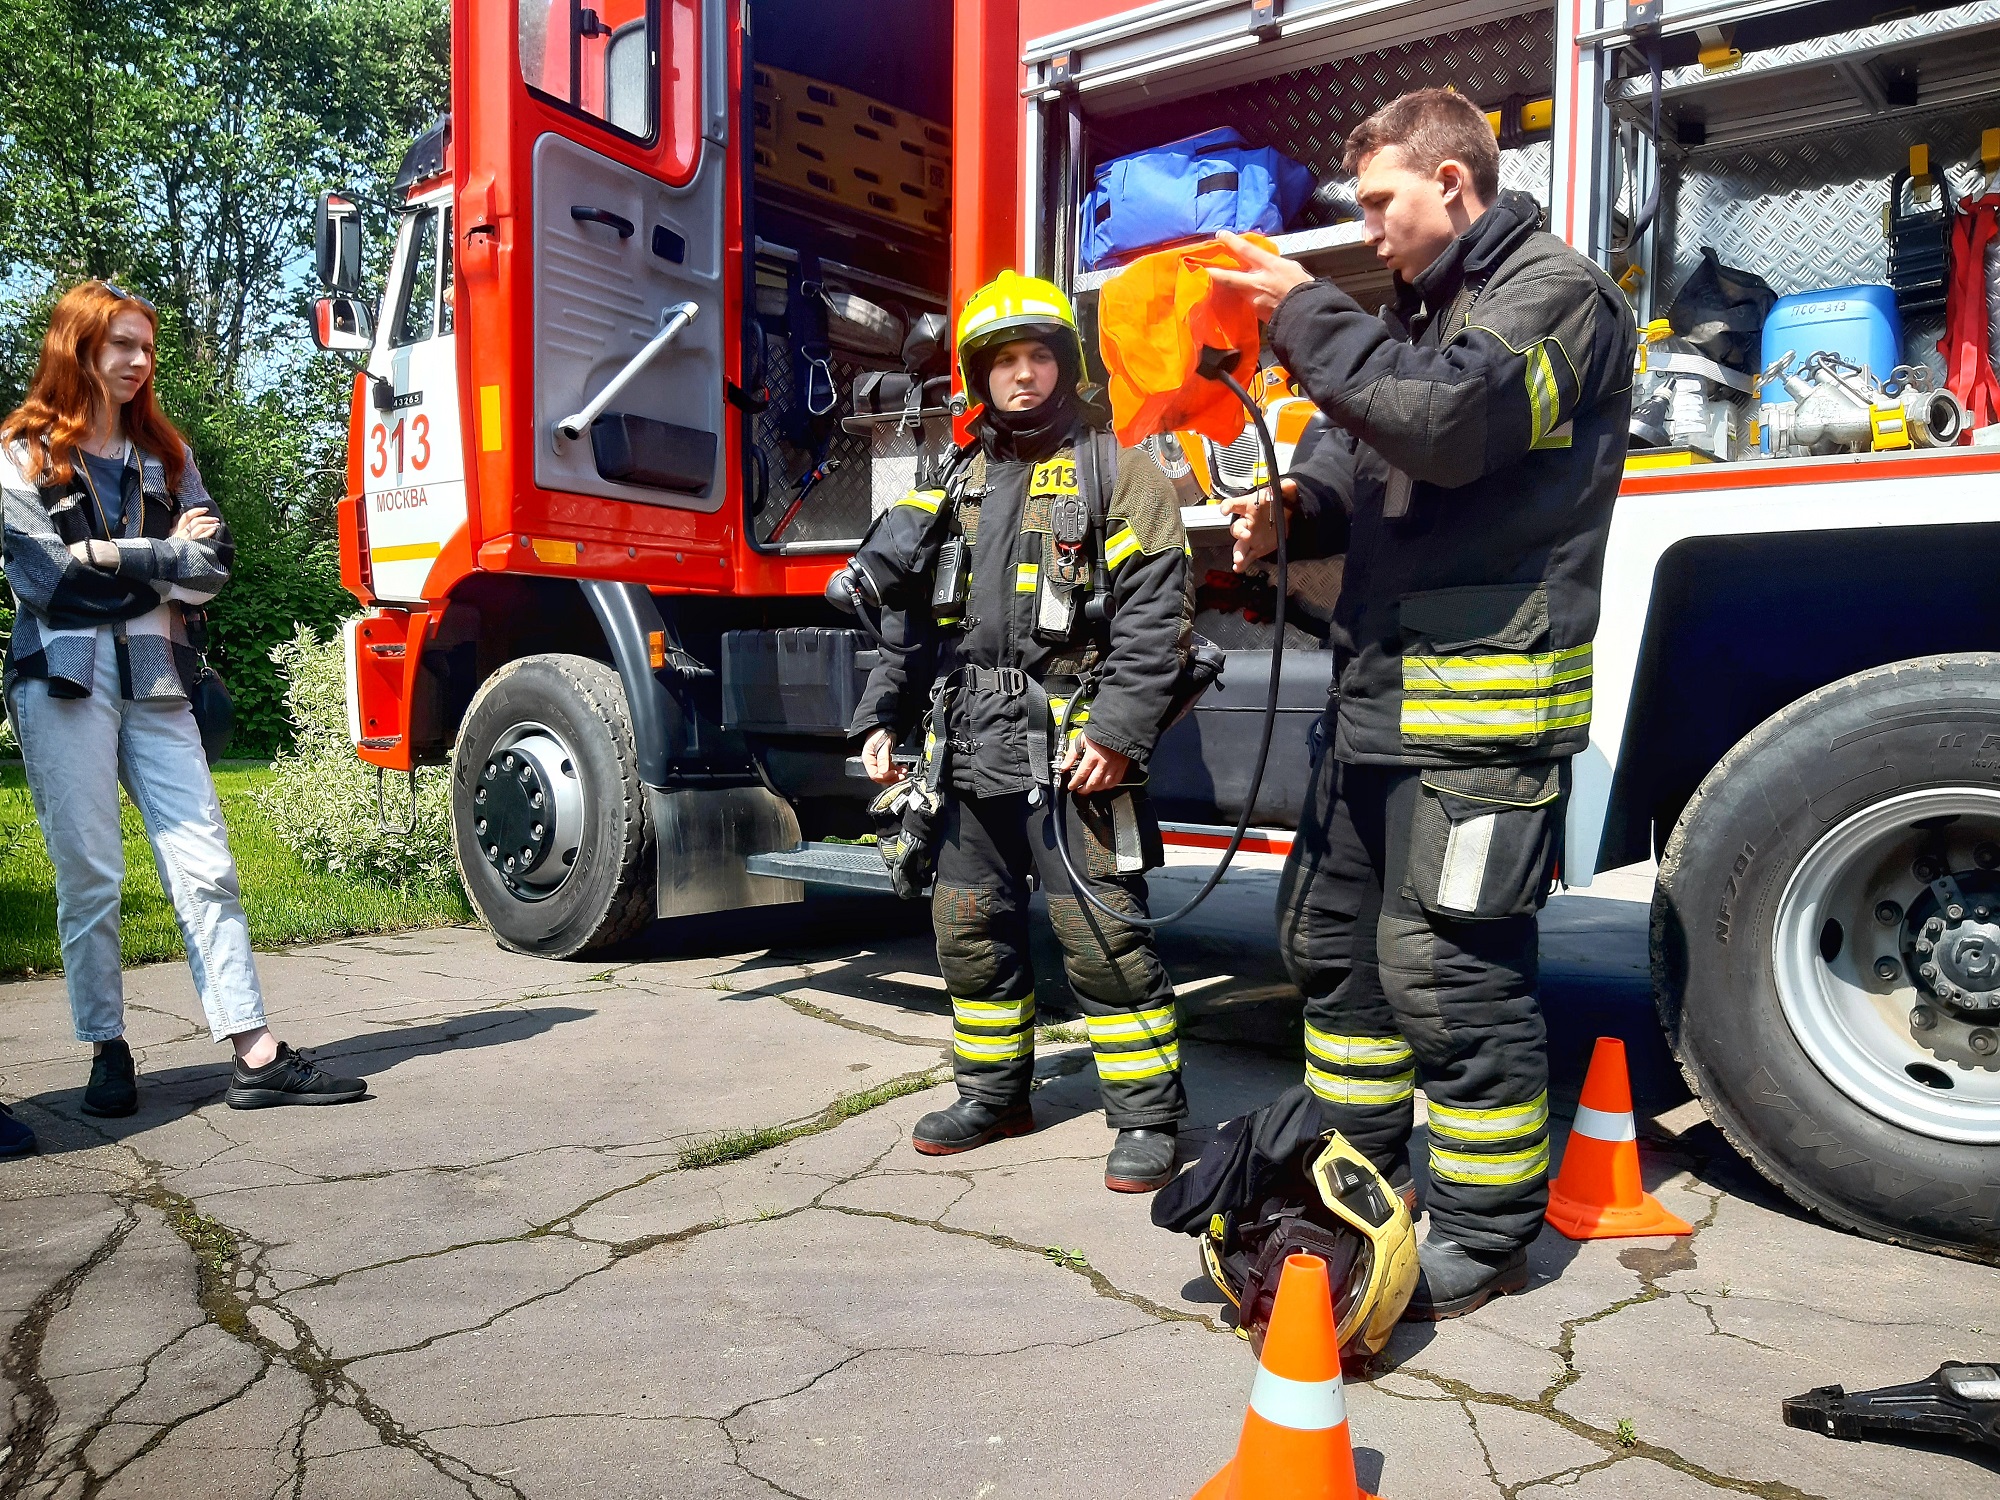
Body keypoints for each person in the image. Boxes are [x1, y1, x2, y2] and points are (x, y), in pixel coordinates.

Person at [1207, 88, 1636, 1316]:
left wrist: (1296, 306)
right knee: (1336, 963)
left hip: (1480, 715)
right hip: (1374, 706)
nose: (1368, 227)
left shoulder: (1554, 298)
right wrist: (1291, 513)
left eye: (1383, 202)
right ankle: (1362, 1182)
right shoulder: (1417, 314)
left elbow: (1448, 425)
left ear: (1453, 186)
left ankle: (1488, 1229)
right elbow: (1357, 459)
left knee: (1446, 973)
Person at [849, 271, 1194, 1192]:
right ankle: (995, 1094)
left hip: (1077, 752)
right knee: (968, 928)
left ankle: (1149, 1119)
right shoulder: (951, 479)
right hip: (966, 748)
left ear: (1066, 366)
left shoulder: (1120, 470)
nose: (1024, 375)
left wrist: (1118, 732)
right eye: (1005, 360)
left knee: (1104, 941)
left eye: (1040, 356)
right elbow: (911, 624)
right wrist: (883, 714)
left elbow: (1157, 619)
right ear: (977, 376)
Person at [1, 280, 367, 1117]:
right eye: (121, 345)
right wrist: (163, 557)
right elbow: (50, 583)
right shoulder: (18, 453)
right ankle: (106, 1047)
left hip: (160, 683)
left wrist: (111, 553)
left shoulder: (166, 453)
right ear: (76, 347)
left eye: (147, 348)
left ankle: (255, 1051)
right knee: (90, 875)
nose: (138, 362)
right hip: (63, 681)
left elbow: (216, 568)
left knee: (206, 865)